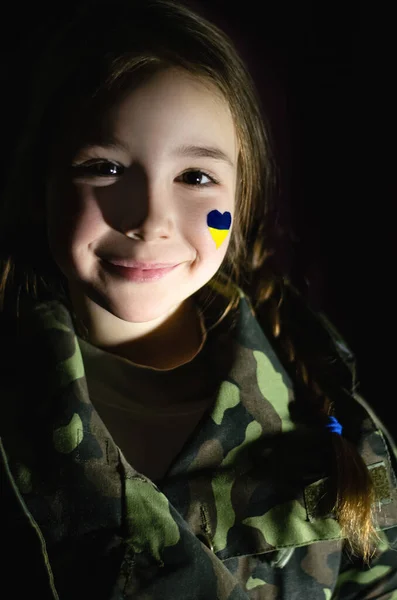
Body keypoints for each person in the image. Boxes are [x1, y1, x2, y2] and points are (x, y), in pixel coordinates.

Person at [0, 1, 396, 598]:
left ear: (241, 199)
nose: (151, 221)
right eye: (105, 168)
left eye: (195, 178)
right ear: (41, 188)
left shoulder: (330, 423)